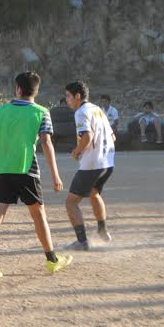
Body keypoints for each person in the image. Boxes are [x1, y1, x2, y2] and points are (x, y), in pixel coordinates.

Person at [0, 71, 72, 278]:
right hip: (26, 169)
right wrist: (56, 175)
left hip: (2, 167)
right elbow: (47, 143)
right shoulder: (41, 112)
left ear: (18, 89)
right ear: (35, 91)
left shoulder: (0, 111)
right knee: (39, 215)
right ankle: (52, 260)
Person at [64, 82, 115, 251]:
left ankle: (82, 241)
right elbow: (113, 136)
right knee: (94, 193)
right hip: (108, 163)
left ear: (78, 96)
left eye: (68, 96)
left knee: (71, 203)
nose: (67, 100)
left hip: (92, 164)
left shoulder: (81, 112)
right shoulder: (98, 110)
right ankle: (102, 231)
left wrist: (77, 152)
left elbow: (87, 136)